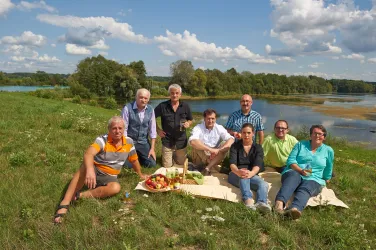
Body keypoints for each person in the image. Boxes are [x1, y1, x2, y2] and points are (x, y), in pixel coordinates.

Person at [54, 116, 148, 224]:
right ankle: (65, 203)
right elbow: (88, 153)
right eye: (114, 128)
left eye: (120, 128)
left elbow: (134, 160)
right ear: (109, 129)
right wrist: (90, 170)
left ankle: (80, 195)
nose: (117, 131)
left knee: (116, 188)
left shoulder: (129, 142)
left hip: (110, 176)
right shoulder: (102, 140)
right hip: (95, 169)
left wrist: (140, 174)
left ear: (124, 129)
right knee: (84, 166)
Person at [274, 125, 334, 219]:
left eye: (320, 134)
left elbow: (329, 167)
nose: (317, 136)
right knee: (292, 180)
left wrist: (327, 178)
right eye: (314, 133)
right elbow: (290, 161)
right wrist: (300, 170)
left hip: (314, 177)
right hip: (295, 171)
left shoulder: (328, 150)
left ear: (324, 137)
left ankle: (295, 209)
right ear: (310, 135)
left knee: (306, 188)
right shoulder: (300, 144)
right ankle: (279, 205)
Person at [227, 123, 271, 213]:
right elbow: (232, 164)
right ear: (241, 133)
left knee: (264, 184)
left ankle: (261, 203)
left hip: (252, 174)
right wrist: (238, 171)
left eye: (248, 133)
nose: (246, 135)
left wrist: (251, 173)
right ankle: (248, 201)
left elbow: (257, 164)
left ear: (253, 133)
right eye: (244, 133)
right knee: (244, 177)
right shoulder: (235, 146)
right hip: (235, 174)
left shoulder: (258, 147)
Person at [154, 84, 193, 167]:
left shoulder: (185, 106)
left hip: (181, 140)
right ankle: (169, 155)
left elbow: (190, 119)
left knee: (181, 164)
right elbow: (151, 117)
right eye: (172, 93)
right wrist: (158, 130)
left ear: (180, 94)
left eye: (177, 93)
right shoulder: (162, 106)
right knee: (167, 166)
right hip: (167, 140)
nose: (174, 95)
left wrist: (188, 123)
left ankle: (175, 155)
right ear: (169, 94)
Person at [188, 108, 234, 175]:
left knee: (224, 143)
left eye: (213, 118)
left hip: (215, 154)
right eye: (208, 118)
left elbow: (231, 139)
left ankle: (208, 167)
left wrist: (218, 150)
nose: (210, 121)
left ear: (216, 119)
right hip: (202, 154)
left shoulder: (219, 127)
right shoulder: (198, 127)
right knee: (196, 143)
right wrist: (210, 150)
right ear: (204, 118)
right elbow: (192, 141)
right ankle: (215, 167)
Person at [121, 88, 157, 168]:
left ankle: (138, 156)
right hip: (130, 141)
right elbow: (124, 129)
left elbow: (153, 129)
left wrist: (152, 149)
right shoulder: (127, 108)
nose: (143, 100)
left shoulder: (151, 110)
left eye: (145, 98)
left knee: (152, 164)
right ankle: (134, 156)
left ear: (148, 99)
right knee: (128, 166)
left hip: (143, 141)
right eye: (141, 97)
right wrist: (125, 145)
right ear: (136, 97)